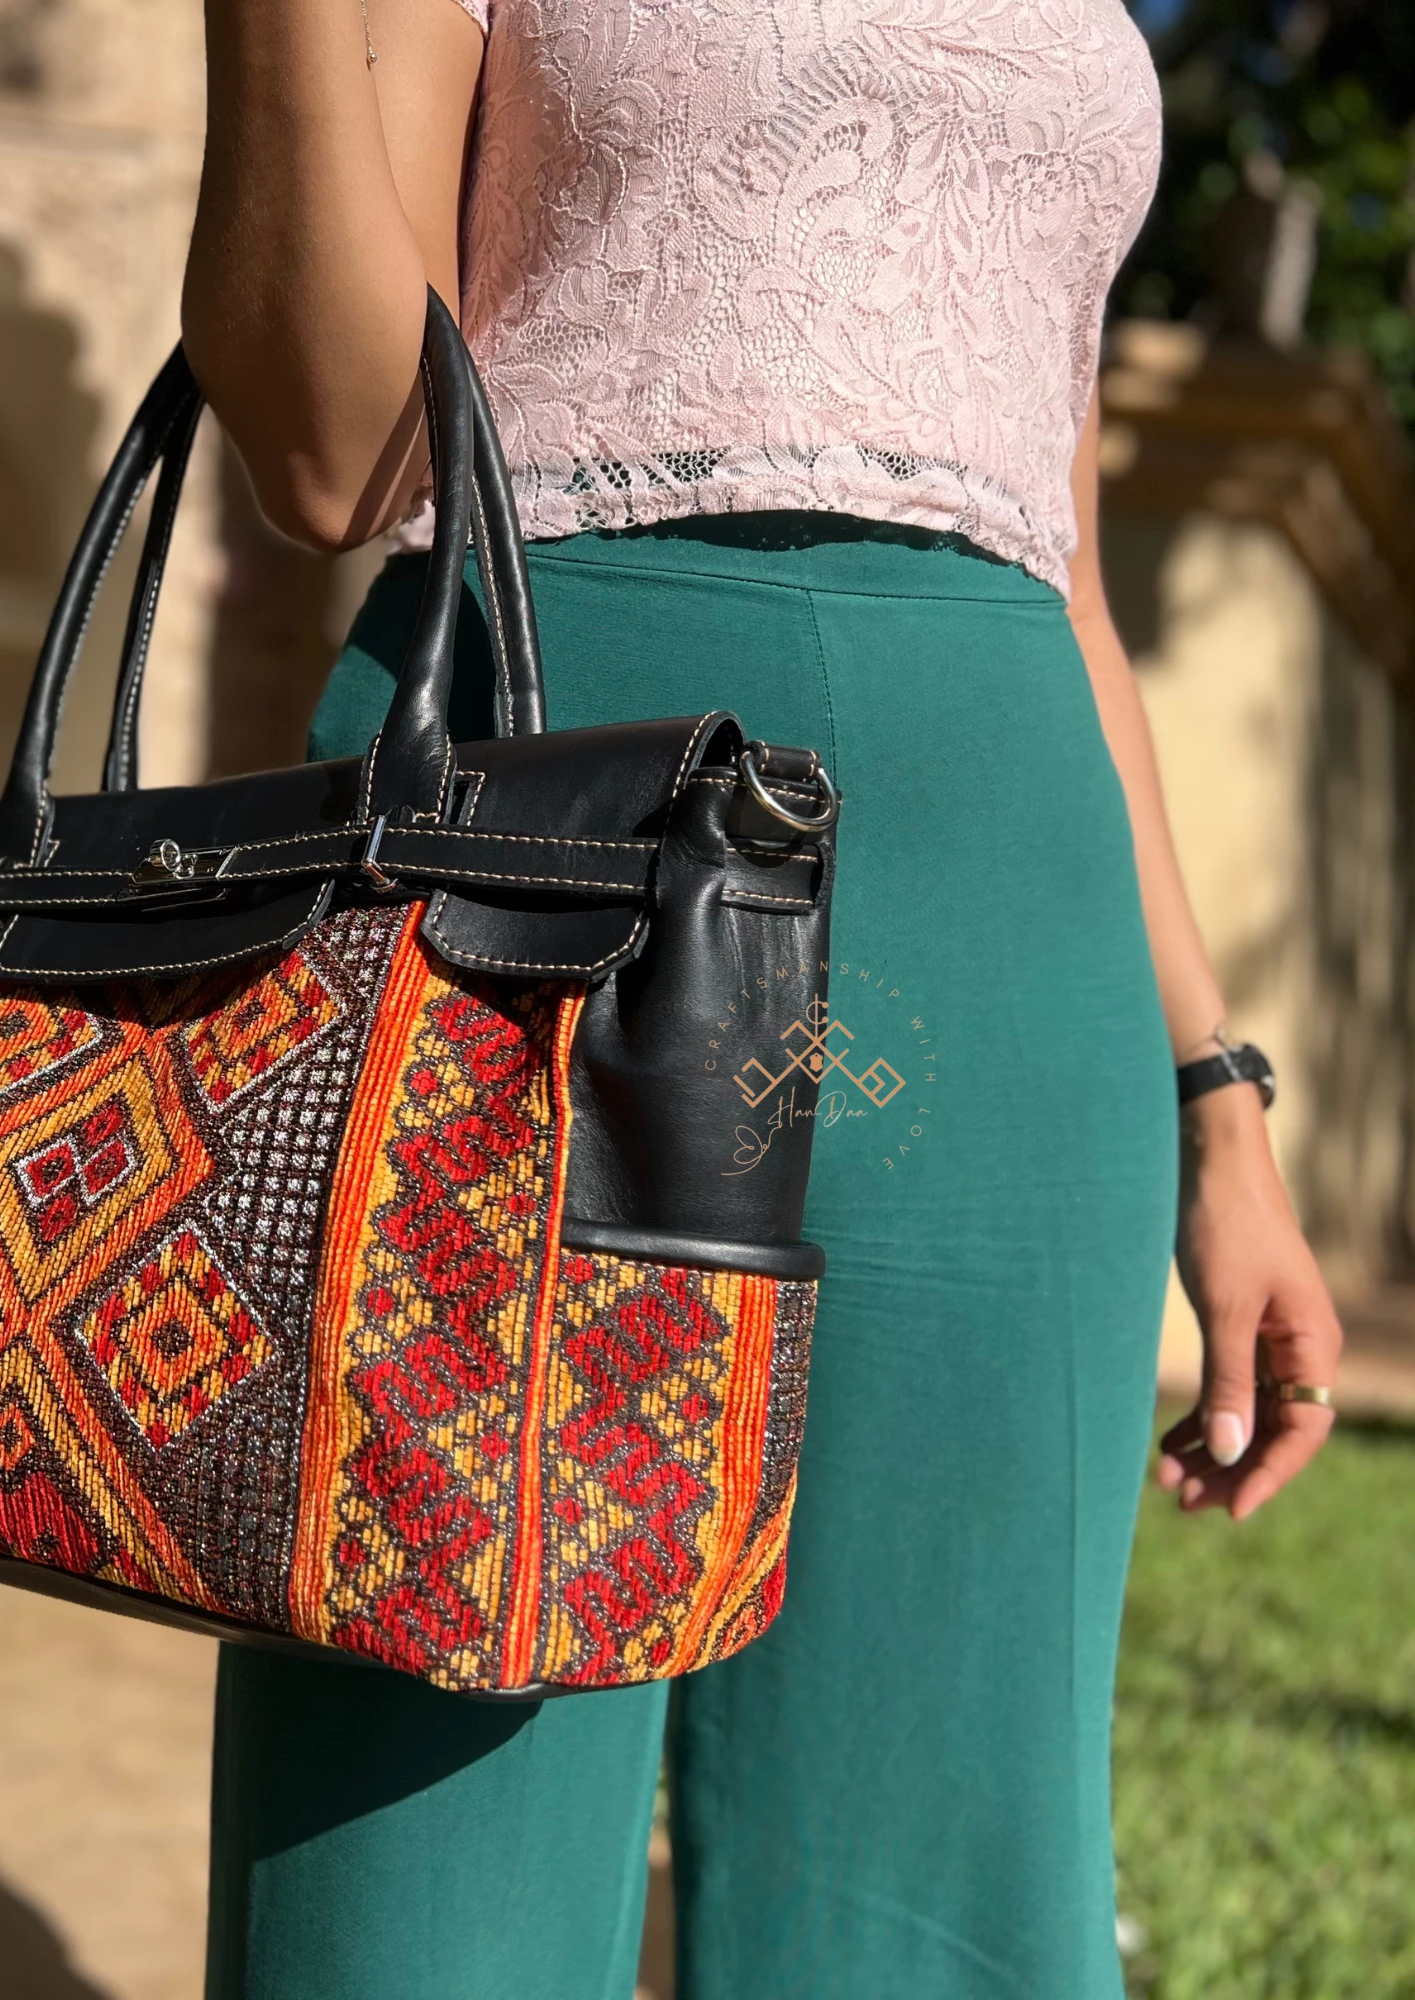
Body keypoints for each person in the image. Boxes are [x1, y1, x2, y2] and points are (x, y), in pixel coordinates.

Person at [179, 3, 1345, 1995]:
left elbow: (1057, 563)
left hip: (1008, 891)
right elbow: (327, 442)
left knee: (951, 1839)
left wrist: (1213, 1095)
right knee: (424, 1805)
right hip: (544, 828)